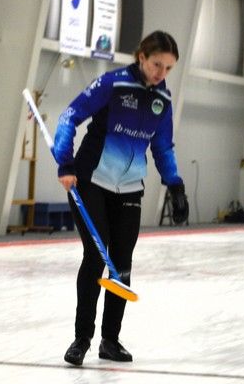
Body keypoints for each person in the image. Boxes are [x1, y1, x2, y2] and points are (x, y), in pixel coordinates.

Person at [52, 30, 187, 366]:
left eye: (169, 68)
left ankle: (110, 341)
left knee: (122, 262)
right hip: (91, 181)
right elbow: (69, 117)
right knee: (96, 257)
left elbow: (162, 146)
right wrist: (65, 163)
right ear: (142, 57)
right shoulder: (112, 84)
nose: (161, 73)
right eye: (157, 65)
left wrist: (175, 184)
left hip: (129, 186)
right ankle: (82, 339)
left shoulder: (163, 99)